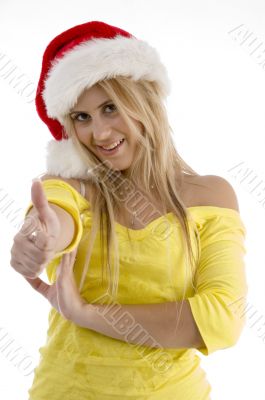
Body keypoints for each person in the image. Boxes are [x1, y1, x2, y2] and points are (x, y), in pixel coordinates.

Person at [10, 21, 248, 399]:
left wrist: (87, 314)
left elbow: (221, 320)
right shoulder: (73, 188)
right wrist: (42, 237)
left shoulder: (210, 195)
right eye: (81, 117)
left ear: (146, 100)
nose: (100, 133)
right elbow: (55, 217)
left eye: (110, 107)